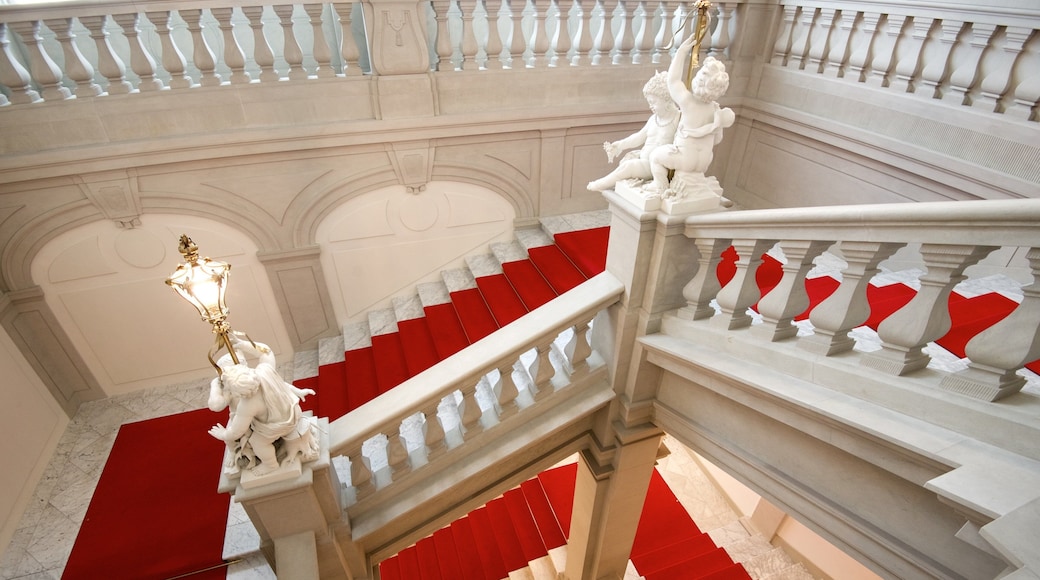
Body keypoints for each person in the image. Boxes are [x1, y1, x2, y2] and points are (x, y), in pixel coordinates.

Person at [208, 334, 317, 476]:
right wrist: (243, 344)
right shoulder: (264, 370)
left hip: (280, 425)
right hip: (294, 411)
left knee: (257, 443)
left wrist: (222, 434)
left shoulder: (247, 405)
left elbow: (236, 431)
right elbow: (266, 351)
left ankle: (270, 465)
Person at [647, 33, 735, 197]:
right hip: (703, 162)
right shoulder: (715, 109)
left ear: (700, 81)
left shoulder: (688, 102)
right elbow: (717, 139)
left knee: (655, 157)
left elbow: (672, 80)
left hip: (685, 159)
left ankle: (661, 187)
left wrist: (681, 52)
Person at [587, 71, 680, 192]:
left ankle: (602, 184)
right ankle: (605, 183)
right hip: (643, 160)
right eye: (649, 102)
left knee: (628, 166)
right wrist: (620, 145)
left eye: (653, 102)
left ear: (667, 99)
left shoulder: (677, 118)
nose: (650, 106)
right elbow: (638, 137)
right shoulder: (654, 119)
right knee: (628, 163)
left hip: (656, 167)